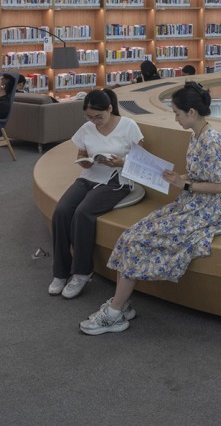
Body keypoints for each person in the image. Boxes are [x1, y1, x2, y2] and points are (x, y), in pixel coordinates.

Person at [80, 81, 221, 335]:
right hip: (191, 201)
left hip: (208, 208)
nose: (175, 119)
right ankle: (120, 305)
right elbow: (201, 175)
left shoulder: (212, 141)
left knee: (137, 241)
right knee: (130, 235)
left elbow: (219, 187)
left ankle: (115, 312)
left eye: (177, 113)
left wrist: (184, 185)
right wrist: (178, 178)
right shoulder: (197, 136)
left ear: (191, 112)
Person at [48, 88, 143, 299]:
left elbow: (141, 159)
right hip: (89, 176)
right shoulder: (87, 128)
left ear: (109, 108)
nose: (94, 121)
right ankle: (60, 271)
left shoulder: (128, 126)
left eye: (98, 117)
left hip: (117, 180)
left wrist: (121, 162)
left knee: (83, 213)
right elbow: (82, 153)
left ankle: (82, 272)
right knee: (61, 211)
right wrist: (84, 161)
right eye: (90, 117)